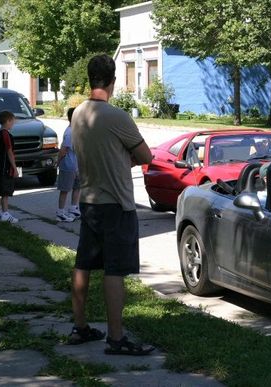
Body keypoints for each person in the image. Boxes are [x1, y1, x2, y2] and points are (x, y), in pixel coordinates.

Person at [68, 54, 154, 356]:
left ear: (90, 79)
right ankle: (116, 338)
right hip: (117, 204)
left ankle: (80, 327)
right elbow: (146, 157)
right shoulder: (117, 117)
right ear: (113, 81)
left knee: (83, 264)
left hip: (89, 201)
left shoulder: (78, 114)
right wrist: (123, 160)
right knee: (114, 271)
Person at [0, 111, 19, 223]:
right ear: (8, 121)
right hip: (5, 168)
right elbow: (9, 152)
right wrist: (15, 168)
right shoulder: (6, 134)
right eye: (13, 121)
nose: (13, 123)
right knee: (5, 192)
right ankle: (5, 214)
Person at [55, 107, 80, 222]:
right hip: (68, 165)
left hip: (76, 165)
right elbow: (63, 150)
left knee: (77, 187)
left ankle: (73, 208)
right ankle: (60, 212)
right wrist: (58, 162)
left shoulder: (76, 130)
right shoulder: (70, 133)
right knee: (65, 189)